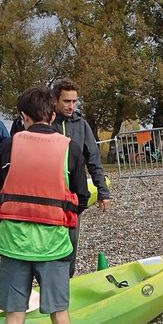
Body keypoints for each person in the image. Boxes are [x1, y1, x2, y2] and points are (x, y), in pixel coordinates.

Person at [0, 86, 90, 324]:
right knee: (59, 316)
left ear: (23, 117)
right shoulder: (71, 148)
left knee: (13, 319)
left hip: (14, 244)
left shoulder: (8, 146)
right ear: (52, 114)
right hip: (53, 244)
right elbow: (80, 196)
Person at [51, 79, 112, 276]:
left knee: (71, 241)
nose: (71, 106)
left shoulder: (81, 125)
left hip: (74, 194)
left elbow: (93, 159)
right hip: (50, 192)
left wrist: (102, 191)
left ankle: (67, 282)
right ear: (55, 100)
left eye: (74, 101)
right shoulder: (46, 123)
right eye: (66, 101)